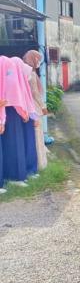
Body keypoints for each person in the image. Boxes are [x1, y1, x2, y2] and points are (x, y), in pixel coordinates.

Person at [0, 56, 40, 187]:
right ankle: (16, 177)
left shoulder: (12, 77)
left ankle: (16, 175)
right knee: (15, 145)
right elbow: (15, 98)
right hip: (12, 113)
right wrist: (26, 113)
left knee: (13, 146)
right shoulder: (11, 77)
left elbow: (22, 98)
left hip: (11, 113)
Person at [22, 50, 48, 170]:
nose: (38, 62)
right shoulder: (31, 74)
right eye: (37, 59)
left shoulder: (24, 71)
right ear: (32, 59)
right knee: (37, 136)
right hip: (34, 108)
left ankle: (33, 163)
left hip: (26, 108)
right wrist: (43, 107)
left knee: (31, 136)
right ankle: (40, 164)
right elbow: (35, 93)